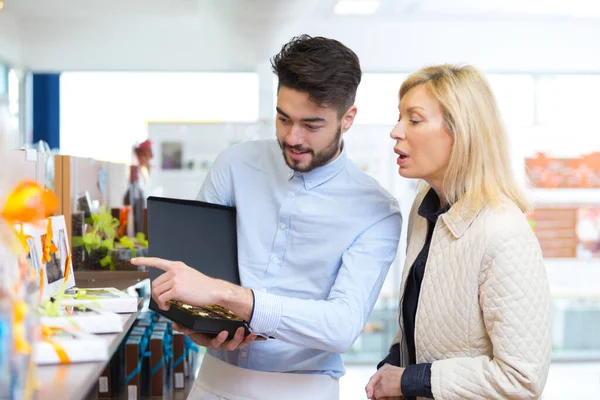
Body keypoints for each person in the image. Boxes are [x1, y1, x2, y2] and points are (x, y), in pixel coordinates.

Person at [132, 35, 402, 400]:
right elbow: (197, 273)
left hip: (304, 389)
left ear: (347, 119)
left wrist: (234, 298)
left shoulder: (376, 210)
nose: (293, 137)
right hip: (213, 381)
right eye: (283, 118)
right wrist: (192, 317)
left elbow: (341, 326)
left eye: (312, 124)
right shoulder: (235, 164)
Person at [365, 65, 552, 400]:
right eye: (399, 117)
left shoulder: (503, 231)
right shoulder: (424, 208)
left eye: (414, 119)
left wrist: (409, 380)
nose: (395, 131)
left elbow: (522, 378)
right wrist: (392, 364)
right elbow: (420, 318)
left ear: (460, 132)